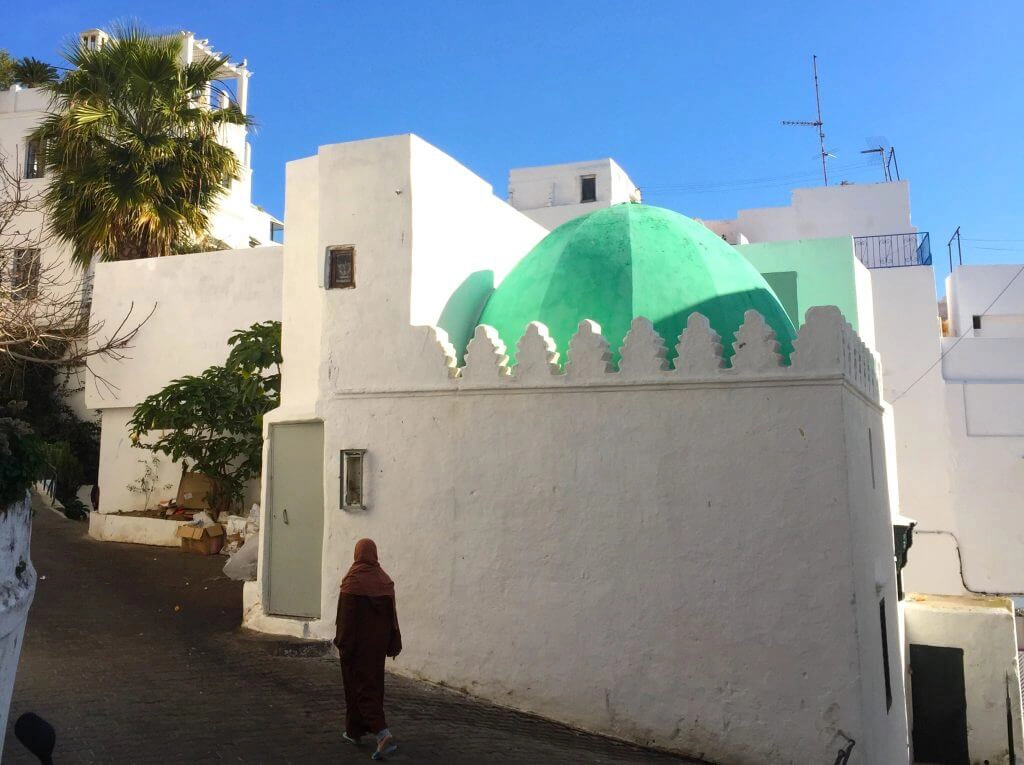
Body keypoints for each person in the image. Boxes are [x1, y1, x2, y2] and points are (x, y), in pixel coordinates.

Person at [334, 538, 402, 760]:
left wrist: (342, 644)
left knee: (360, 689)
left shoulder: (352, 582)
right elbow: (392, 618)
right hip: (376, 649)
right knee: (371, 686)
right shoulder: (384, 581)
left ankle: (383, 734)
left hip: (356, 647)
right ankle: (354, 731)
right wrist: (392, 643)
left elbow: (346, 619)